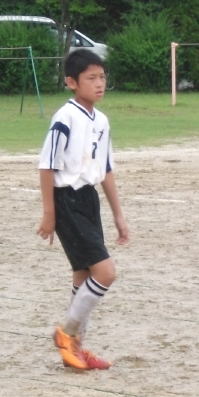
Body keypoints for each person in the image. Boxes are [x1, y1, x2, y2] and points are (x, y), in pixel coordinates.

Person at [37, 49, 130, 370]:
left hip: (89, 200)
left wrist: (118, 215)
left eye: (102, 77)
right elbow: (47, 166)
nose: (99, 83)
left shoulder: (101, 121)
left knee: (84, 274)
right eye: (91, 78)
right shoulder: (65, 117)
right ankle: (66, 333)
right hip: (67, 200)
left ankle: (75, 348)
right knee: (106, 273)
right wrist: (49, 213)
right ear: (72, 83)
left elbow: (105, 170)